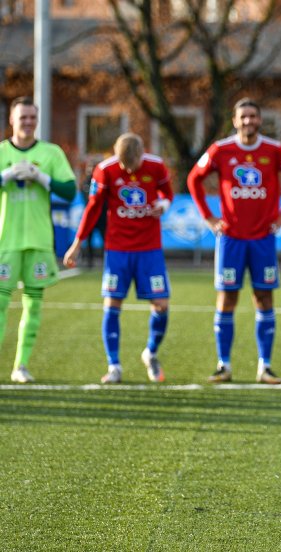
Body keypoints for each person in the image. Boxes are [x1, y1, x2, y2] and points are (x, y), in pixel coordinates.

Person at [188, 98, 281, 384]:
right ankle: (223, 365)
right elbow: (194, 179)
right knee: (227, 297)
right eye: (243, 116)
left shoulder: (274, 150)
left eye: (253, 116)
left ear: (260, 120)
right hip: (231, 239)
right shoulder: (221, 149)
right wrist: (209, 218)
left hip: (263, 238)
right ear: (235, 120)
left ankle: (265, 367)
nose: (248, 121)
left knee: (264, 297)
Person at [63, 133, 173, 384]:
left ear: (142, 155)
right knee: (112, 304)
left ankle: (150, 353)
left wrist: (163, 205)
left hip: (149, 249)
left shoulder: (156, 166)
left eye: (133, 165)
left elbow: (167, 193)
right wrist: (77, 244)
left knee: (161, 304)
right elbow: (93, 208)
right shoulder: (105, 170)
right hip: (118, 249)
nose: (128, 170)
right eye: (124, 165)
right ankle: (114, 366)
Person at [0, 96, 76, 383]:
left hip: (39, 239)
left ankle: (21, 366)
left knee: (33, 304)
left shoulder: (51, 153)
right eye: (23, 117)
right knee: (0, 305)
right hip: (5, 240)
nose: (28, 122)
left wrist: (42, 178)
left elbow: (69, 191)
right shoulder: (2, 151)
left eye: (32, 117)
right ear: (12, 119)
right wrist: (6, 175)